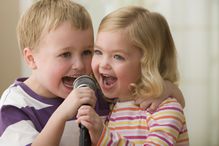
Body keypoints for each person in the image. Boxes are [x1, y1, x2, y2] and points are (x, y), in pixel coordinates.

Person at [0, 0, 184, 146]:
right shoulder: (16, 104)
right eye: (65, 54)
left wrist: (166, 88)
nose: (80, 65)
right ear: (31, 58)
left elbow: (169, 105)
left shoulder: (96, 90)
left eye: (88, 52)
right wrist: (62, 113)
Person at [76, 6, 189, 146]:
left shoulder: (164, 109)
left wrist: (103, 136)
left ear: (147, 64)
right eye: (98, 52)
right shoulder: (108, 105)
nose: (104, 64)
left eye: (118, 56)